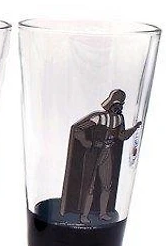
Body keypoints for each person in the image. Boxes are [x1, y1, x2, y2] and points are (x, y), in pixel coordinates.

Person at [60, 89, 141, 224]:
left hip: (107, 153)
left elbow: (121, 136)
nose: (118, 107)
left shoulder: (119, 119)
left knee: (106, 185)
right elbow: (78, 129)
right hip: (94, 153)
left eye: (120, 104)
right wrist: (86, 142)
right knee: (89, 185)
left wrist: (134, 129)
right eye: (116, 103)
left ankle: (103, 213)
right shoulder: (99, 117)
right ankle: (84, 215)